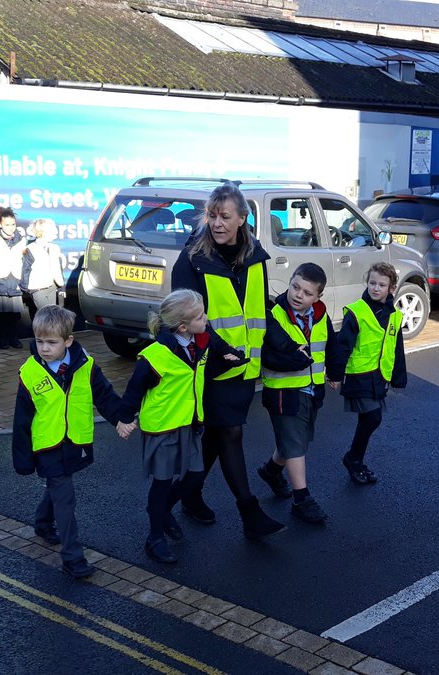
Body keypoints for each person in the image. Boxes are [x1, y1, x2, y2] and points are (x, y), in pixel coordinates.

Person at [170, 182, 284, 539]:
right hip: (208, 365)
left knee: (218, 437)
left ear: (242, 218)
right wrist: (221, 350)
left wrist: (284, 341)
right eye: (212, 215)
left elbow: (258, 308)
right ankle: (249, 512)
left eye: (225, 216)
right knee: (230, 433)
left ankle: (185, 494)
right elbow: (184, 320)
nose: (217, 223)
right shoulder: (192, 261)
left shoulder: (254, 254)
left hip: (243, 366)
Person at [117, 289, 246, 564]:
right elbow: (133, 390)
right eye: (200, 316)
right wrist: (125, 419)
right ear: (183, 326)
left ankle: (162, 510)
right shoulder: (156, 355)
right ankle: (155, 537)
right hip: (163, 427)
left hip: (190, 423)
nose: (206, 319)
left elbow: (214, 357)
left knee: (195, 477)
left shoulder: (201, 340)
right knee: (162, 482)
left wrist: (232, 356)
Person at [11, 305, 128, 579]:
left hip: (74, 441)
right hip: (47, 447)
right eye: (39, 341)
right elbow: (21, 420)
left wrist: (121, 418)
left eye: (51, 342)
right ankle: (72, 558)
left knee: (57, 486)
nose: (44, 348)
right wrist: (22, 458)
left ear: (68, 341)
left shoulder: (85, 367)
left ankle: (42, 522)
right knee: (65, 498)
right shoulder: (29, 373)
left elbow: (104, 395)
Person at [255, 263, 335, 523]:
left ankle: (271, 471)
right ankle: (302, 498)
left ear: (318, 297)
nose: (298, 295)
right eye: (295, 287)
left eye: (307, 292)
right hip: (283, 392)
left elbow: (330, 345)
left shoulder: (321, 316)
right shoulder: (274, 316)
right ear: (289, 283)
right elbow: (267, 357)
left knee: (296, 440)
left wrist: (335, 371)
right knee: (294, 442)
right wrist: (297, 360)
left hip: (312, 390)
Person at [326, 261, 407, 485]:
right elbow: (343, 346)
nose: (375, 288)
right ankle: (353, 459)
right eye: (372, 283)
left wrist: (398, 378)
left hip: (379, 376)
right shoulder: (357, 312)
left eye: (381, 284)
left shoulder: (395, 316)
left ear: (391, 288)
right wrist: (335, 374)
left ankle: (356, 460)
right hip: (359, 375)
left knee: (368, 419)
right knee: (372, 417)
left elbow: (397, 348)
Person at [0, 207, 28, 349]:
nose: (10, 228)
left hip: (15, 279)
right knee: (1, 314)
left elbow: (26, 262)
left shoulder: (22, 240)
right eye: (7, 224)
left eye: (13, 224)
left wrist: (23, 281)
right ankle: (3, 339)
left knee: (14, 314)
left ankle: (14, 338)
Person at [21, 217, 67, 317]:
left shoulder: (54, 248)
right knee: (46, 315)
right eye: (52, 229)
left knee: (55, 314)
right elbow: (25, 270)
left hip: (52, 286)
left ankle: (54, 332)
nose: (56, 232)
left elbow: (58, 269)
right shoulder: (30, 249)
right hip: (38, 289)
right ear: (43, 232)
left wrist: (61, 288)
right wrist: (26, 289)